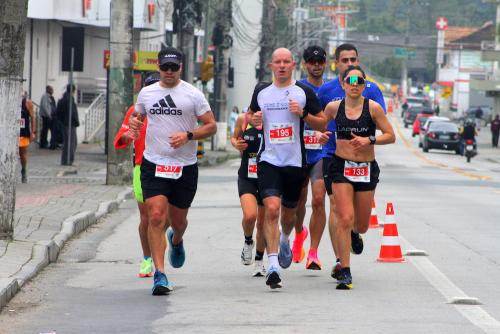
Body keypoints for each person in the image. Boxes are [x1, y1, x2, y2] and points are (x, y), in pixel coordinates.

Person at [129, 47, 217, 295]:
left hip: (184, 166)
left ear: (181, 68)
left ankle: (176, 239)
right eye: (165, 67)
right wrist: (135, 125)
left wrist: (189, 135)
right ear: (158, 67)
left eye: (173, 67)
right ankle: (159, 273)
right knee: (156, 216)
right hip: (154, 163)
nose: (169, 72)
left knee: (178, 221)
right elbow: (137, 117)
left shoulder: (193, 94)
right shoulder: (147, 93)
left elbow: (211, 126)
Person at [247, 47, 327, 289]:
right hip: (268, 159)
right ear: (271, 66)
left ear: (293, 65)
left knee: (289, 214)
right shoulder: (262, 91)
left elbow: (322, 122)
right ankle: (272, 266)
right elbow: (250, 115)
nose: (281, 66)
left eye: (286, 62)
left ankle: (284, 238)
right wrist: (254, 120)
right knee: (271, 209)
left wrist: (302, 114)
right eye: (277, 62)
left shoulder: (303, 92)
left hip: (295, 162)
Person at [320, 65, 395, 289]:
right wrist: (321, 135)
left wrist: (369, 140)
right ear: (343, 84)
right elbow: (319, 127)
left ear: (364, 85)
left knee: (361, 225)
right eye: (350, 80)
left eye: (359, 81)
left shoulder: (373, 109)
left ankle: (355, 233)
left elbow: (390, 136)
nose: (354, 84)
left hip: (366, 168)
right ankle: (345, 270)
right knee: (343, 217)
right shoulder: (333, 107)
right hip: (341, 167)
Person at [114, 72, 161, 278]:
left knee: (162, 218)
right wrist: (130, 134)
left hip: (167, 167)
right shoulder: (135, 111)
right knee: (147, 217)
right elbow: (121, 139)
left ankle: (169, 238)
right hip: (141, 167)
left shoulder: (171, 110)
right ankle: (147, 259)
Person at [291, 45, 328, 270]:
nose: (316, 66)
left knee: (318, 199)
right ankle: (298, 234)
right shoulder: (296, 88)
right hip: (298, 151)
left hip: (321, 153)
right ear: (305, 64)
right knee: (298, 202)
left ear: (325, 63)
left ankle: (313, 252)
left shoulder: (332, 89)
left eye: (320, 62)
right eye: (312, 62)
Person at [230, 109, 266, 277]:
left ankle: (259, 262)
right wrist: (236, 143)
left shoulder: (273, 118)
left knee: (263, 223)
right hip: (247, 176)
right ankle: (248, 240)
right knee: (250, 216)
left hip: (268, 176)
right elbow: (234, 138)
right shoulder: (242, 119)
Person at [57, 84, 80, 165]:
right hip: (70, 124)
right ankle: (69, 160)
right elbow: (73, 113)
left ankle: (65, 160)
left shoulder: (62, 99)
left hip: (64, 124)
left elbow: (58, 112)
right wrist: (76, 122)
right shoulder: (70, 99)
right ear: (73, 91)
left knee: (66, 142)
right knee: (71, 143)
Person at [19, 91, 36, 183]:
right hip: (12, 131)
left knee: (23, 154)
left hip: (23, 132)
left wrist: (33, 132)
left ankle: (24, 170)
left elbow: (33, 117)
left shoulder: (28, 103)